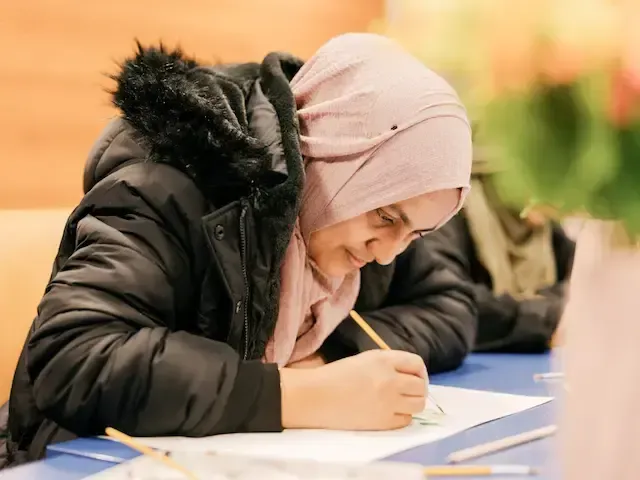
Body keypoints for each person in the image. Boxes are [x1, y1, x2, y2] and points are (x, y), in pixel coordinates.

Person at [3, 33, 474, 466]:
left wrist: (329, 361)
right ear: (334, 153)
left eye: (415, 233)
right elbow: (75, 357)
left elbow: (450, 306)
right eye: (387, 218)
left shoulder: (353, 209)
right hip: (79, 459)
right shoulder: (173, 181)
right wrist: (296, 394)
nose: (389, 254)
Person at [421, 152, 575, 353]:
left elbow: (584, 281)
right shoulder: (449, 211)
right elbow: (449, 303)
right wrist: (549, 318)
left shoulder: (542, 225)